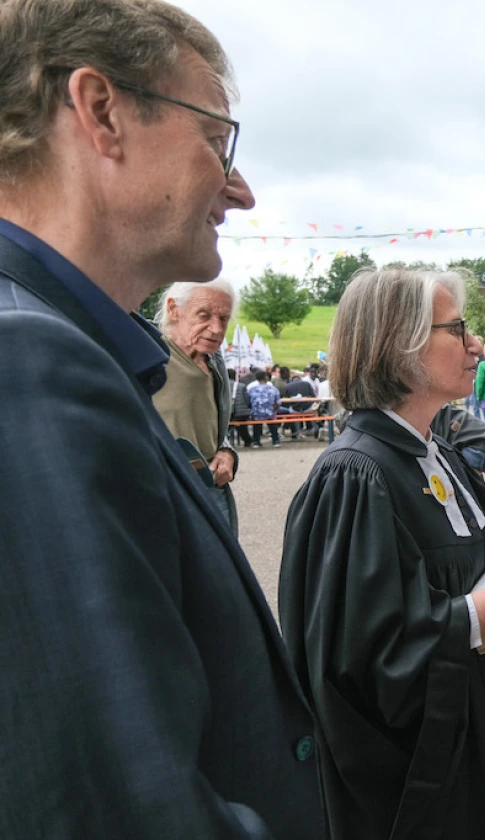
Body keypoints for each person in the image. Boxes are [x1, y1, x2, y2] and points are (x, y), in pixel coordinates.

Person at [0, 1, 323, 837]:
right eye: (217, 140)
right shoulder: (28, 363)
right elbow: (122, 807)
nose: (240, 190)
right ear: (101, 111)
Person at [278, 268, 485, 840]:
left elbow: (477, 574)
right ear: (398, 345)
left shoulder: (437, 453)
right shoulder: (354, 475)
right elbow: (350, 656)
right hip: (425, 771)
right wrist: (482, 613)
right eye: (458, 329)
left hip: (480, 728)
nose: (475, 345)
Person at [152, 278, 240, 532]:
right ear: (173, 309)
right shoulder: (147, 353)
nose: (216, 328)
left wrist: (227, 452)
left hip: (211, 488)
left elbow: (212, 424)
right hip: (163, 493)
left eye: (223, 319)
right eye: (204, 315)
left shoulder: (215, 361)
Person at [249, 369, 282, 447]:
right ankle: (275, 440)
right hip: (270, 412)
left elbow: (249, 402)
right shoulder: (273, 389)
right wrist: (274, 409)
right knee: (272, 423)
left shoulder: (252, 389)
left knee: (256, 426)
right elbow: (278, 402)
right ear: (266, 377)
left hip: (256, 412)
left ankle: (256, 441)